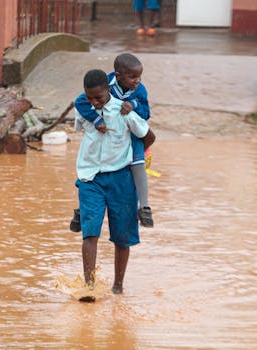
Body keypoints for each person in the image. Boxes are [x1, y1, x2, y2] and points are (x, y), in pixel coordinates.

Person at [74, 69, 155, 299]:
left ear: (108, 90)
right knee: (90, 234)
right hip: (91, 178)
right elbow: (81, 120)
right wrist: (93, 113)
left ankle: (118, 286)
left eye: (98, 98)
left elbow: (149, 135)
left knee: (122, 236)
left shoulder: (125, 111)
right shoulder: (85, 112)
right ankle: (88, 288)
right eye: (89, 98)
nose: (94, 103)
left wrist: (140, 152)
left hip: (121, 179)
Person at [70, 53, 154, 232]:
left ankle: (145, 207)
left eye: (139, 77)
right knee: (91, 163)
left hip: (130, 131)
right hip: (106, 131)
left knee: (137, 162)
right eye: (132, 77)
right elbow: (80, 102)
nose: (137, 81)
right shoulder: (104, 83)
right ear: (118, 76)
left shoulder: (140, 90)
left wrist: (133, 105)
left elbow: (146, 113)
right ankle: (81, 209)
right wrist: (95, 119)